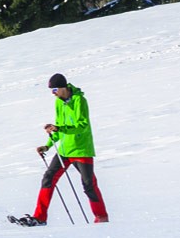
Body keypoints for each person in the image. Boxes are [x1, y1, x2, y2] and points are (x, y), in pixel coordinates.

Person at [13, 74, 110, 226]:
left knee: (88, 185)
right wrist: (47, 145)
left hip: (81, 150)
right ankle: (39, 217)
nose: (53, 93)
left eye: (55, 89)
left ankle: (101, 218)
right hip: (64, 150)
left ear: (64, 87)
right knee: (48, 179)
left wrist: (60, 128)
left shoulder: (79, 100)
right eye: (52, 90)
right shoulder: (58, 103)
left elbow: (82, 125)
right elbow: (58, 126)